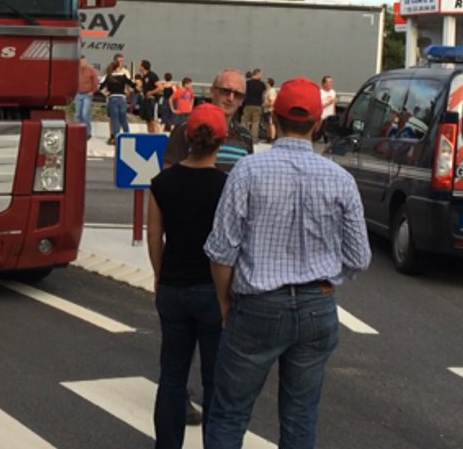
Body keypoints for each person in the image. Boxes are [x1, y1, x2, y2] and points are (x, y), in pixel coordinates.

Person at [202, 77, 371, 449]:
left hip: (258, 306)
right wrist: (325, 279)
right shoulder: (341, 180)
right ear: (318, 124)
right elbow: (360, 257)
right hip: (317, 309)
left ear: (273, 120)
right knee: (300, 418)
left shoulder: (247, 171)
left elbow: (221, 251)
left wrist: (225, 301)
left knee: (229, 413)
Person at [148, 104, 229, 448]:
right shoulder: (226, 185)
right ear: (221, 141)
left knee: (172, 376)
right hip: (211, 289)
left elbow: (155, 236)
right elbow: (228, 242)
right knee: (214, 378)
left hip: (173, 286)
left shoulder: (162, 182)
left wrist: (158, 273)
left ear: (185, 136)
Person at [164, 69, 254, 171]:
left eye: (237, 94)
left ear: (242, 100)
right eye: (225, 91)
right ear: (212, 91)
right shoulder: (184, 130)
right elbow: (169, 176)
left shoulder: (245, 136)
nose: (231, 98)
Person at [100, 54, 135, 145]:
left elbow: (100, 86)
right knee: (122, 118)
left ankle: (116, 137)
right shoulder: (124, 74)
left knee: (114, 118)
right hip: (122, 97)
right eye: (120, 61)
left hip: (112, 97)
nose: (122, 63)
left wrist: (107, 93)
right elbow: (132, 83)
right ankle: (127, 136)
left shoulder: (108, 75)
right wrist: (128, 91)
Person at [76, 56, 100, 140]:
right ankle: (78, 132)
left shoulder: (91, 71)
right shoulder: (76, 71)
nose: (81, 63)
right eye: (80, 62)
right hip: (78, 94)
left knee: (85, 114)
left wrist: (92, 91)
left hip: (87, 95)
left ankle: (87, 132)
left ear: (86, 61)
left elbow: (95, 82)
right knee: (78, 115)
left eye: (83, 62)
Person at [140, 59, 166, 133]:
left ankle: (156, 136)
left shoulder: (152, 75)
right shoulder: (143, 77)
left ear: (143, 67)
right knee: (148, 120)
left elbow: (160, 87)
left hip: (152, 101)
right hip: (146, 100)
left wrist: (151, 92)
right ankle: (150, 135)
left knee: (153, 120)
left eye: (140, 65)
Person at [241, 69, 265, 145]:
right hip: (257, 105)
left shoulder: (247, 83)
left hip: (248, 104)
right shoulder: (262, 84)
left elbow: (244, 94)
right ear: (257, 74)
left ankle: (242, 137)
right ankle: (254, 139)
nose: (261, 76)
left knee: (244, 121)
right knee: (255, 123)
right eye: (261, 74)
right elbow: (263, 95)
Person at [316, 75, 337, 142]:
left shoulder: (333, 92)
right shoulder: (319, 92)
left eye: (332, 82)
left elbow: (333, 105)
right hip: (322, 117)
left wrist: (334, 114)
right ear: (324, 83)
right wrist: (328, 103)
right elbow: (318, 106)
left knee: (328, 137)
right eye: (329, 82)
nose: (331, 84)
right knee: (318, 136)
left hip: (330, 117)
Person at [261, 77, 278, 142]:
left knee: (271, 124)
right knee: (267, 124)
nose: (265, 83)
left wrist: (264, 105)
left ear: (269, 83)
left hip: (270, 110)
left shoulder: (271, 91)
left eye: (266, 82)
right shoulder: (267, 91)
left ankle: (272, 137)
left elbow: (272, 102)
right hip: (266, 110)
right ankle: (268, 137)